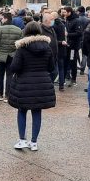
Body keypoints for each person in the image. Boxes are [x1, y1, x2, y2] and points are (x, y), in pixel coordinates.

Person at [8, 22, 56, 150]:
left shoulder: (22, 48)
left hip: (24, 83)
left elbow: (15, 67)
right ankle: (34, 142)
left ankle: (22, 139)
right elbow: (51, 67)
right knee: (37, 112)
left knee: (22, 110)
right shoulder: (47, 47)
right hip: (42, 83)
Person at [0, 12, 23, 102]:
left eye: (2, 18)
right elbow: (20, 44)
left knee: (0, 75)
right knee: (10, 75)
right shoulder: (18, 30)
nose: (1, 20)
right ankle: (8, 95)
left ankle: (0, 94)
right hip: (12, 55)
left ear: (5, 19)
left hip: (1, 54)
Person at [64, 7, 84, 86]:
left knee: (73, 62)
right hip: (67, 45)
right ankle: (67, 76)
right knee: (66, 61)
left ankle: (74, 79)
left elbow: (79, 33)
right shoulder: (67, 20)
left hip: (73, 47)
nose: (63, 14)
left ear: (69, 12)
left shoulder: (76, 21)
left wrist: (68, 34)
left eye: (65, 12)